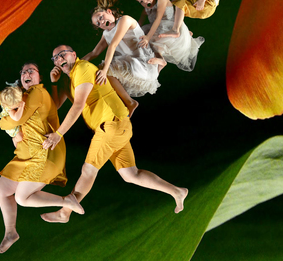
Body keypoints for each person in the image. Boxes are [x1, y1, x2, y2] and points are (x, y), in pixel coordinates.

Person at [40, 45, 187, 224]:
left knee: (88, 170)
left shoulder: (82, 68)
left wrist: (58, 134)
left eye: (62, 54)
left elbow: (78, 105)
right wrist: (54, 83)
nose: (59, 59)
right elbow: (55, 106)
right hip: (117, 126)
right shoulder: (68, 80)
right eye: (55, 58)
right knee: (131, 174)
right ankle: (177, 191)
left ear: (74, 54)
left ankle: (64, 213)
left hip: (110, 125)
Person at [0, 62, 83, 253]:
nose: (26, 73)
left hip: (44, 153)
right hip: (26, 154)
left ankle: (66, 201)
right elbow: (2, 97)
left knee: (22, 197)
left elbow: (16, 120)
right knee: (2, 190)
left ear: (39, 77)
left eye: (31, 71)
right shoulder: (22, 95)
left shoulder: (38, 93)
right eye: (23, 72)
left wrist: (2, 124)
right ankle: (10, 232)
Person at [83, 0, 162, 116]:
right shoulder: (106, 34)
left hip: (144, 63)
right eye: (98, 24)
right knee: (103, 73)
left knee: (106, 70)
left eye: (101, 17)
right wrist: (76, 64)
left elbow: (113, 45)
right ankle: (130, 102)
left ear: (109, 11)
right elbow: (94, 53)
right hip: (133, 65)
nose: (101, 22)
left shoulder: (125, 20)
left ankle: (159, 63)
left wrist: (105, 70)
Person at [134, 0, 204, 72]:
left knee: (152, 38)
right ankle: (161, 60)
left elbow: (158, 19)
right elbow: (138, 24)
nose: (145, 1)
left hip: (170, 29)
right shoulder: (146, 10)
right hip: (158, 30)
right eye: (141, 1)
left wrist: (148, 37)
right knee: (145, 38)